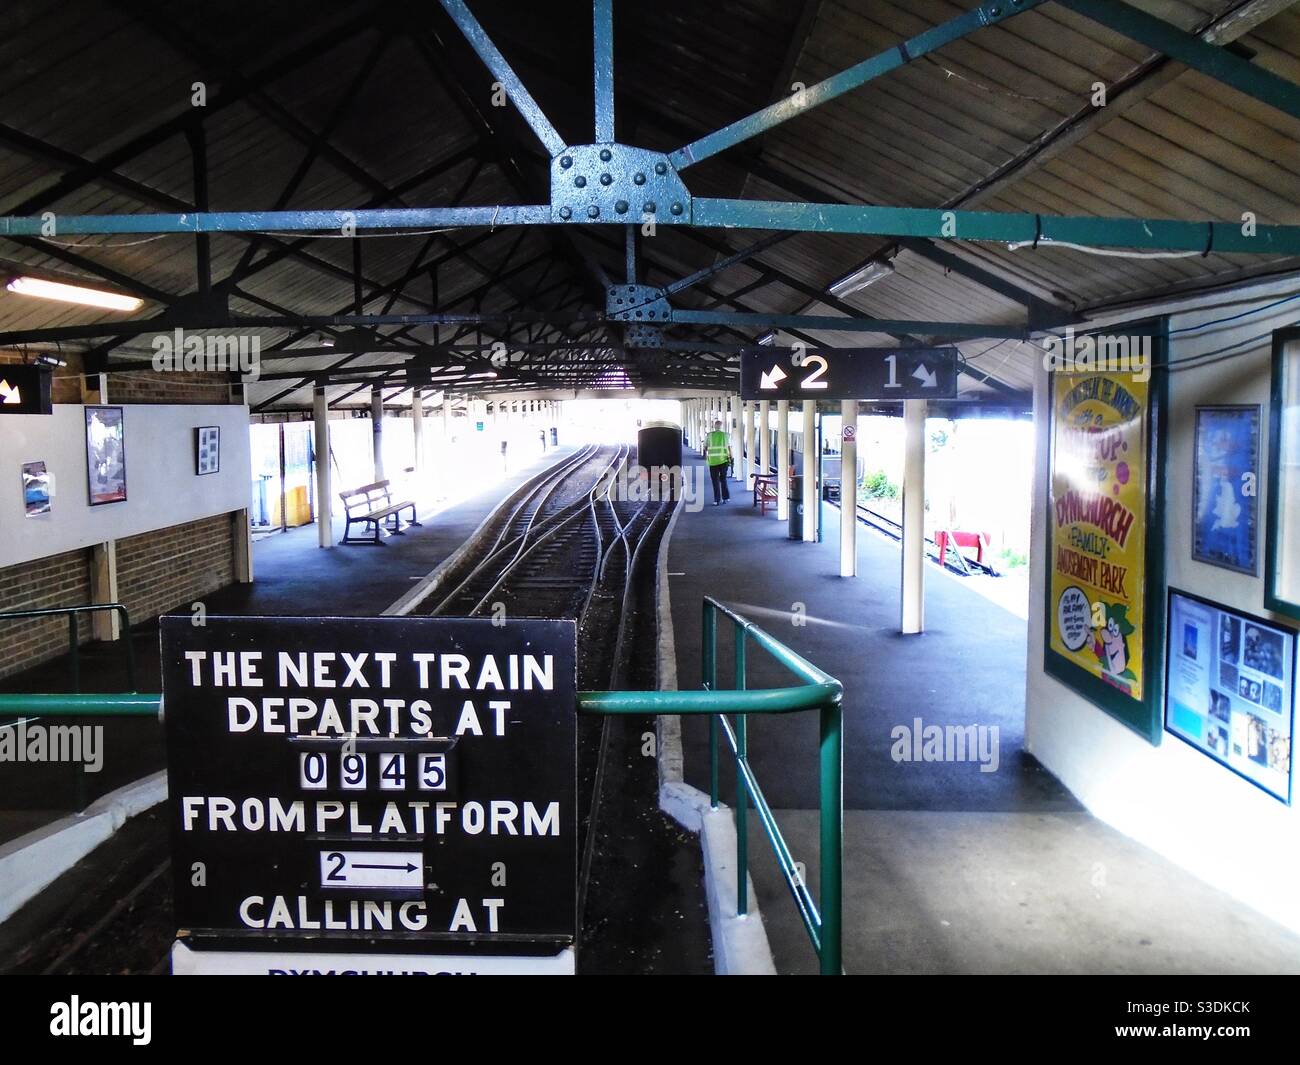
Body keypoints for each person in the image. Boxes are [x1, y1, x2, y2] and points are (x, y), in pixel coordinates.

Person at [705, 419, 732, 506]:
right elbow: (729, 447)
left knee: (715, 481)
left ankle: (717, 500)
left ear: (714, 426)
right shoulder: (726, 435)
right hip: (724, 460)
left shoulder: (709, 435)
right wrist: (731, 457)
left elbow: (705, 447)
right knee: (723, 479)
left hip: (713, 462)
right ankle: (726, 498)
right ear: (721, 426)